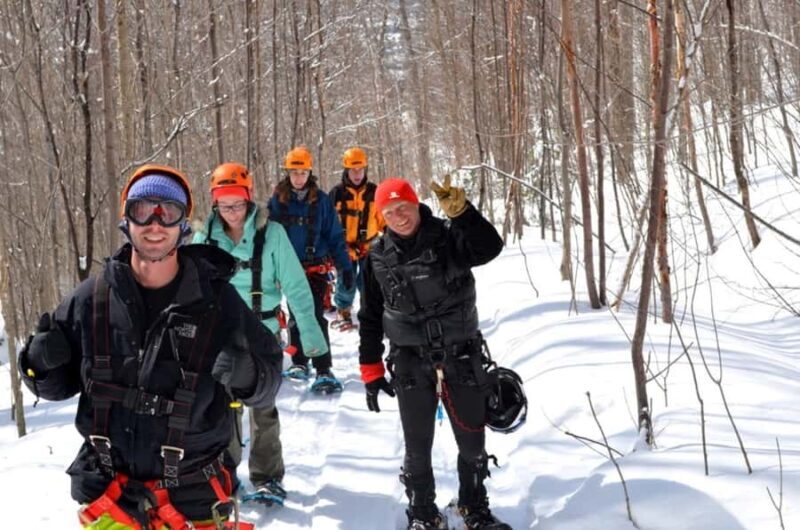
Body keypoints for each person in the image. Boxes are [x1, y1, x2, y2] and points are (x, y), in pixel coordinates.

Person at [17, 164, 282, 529]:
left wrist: (248, 374)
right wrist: (38, 364)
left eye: (168, 212)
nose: (155, 223)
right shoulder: (92, 298)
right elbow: (53, 386)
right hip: (110, 498)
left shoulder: (218, 303)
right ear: (127, 220)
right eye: (143, 210)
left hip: (193, 497)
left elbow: (269, 382)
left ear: (183, 225)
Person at [357, 176, 510, 530]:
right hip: (410, 361)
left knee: (472, 441)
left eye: (404, 207)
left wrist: (464, 214)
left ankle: (474, 507)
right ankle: (423, 513)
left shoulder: (449, 238)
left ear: (416, 204)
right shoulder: (377, 257)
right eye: (390, 211)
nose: (399, 216)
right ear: (382, 216)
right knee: (417, 447)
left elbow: (489, 247)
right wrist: (371, 370)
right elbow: (369, 318)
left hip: (461, 355)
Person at [193, 162, 328, 505]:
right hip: (219, 338)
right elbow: (190, 292)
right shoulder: (203, 238)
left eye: (238, 204)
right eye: (225, 205)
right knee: (222, 410)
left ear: (249, 200)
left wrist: (310, 338)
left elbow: (297, 288)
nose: (232, 212)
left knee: (263, 409)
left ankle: (267, 476)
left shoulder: (273, 234)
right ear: (215, 205)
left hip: (262, 334)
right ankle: (224, 473)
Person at [268, 146, 354, 393]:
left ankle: (324, 367)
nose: (298, 178)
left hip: (314, 268)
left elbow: (335, 236)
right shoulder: (277, 201)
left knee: (313, 314)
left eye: (303, 172)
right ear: (288, 173)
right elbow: (266, 236)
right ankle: (299, 362)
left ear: (309, 172)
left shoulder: (322, 201)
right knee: (295, 315)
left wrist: (345, 267)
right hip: (287, 269)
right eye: (294, 173)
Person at [328, 147, 385, 330]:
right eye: (353, 170)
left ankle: (373, 312)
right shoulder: (336, 194)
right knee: (347, 281)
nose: (357, 174)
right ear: (346, 170)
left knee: (369, 283)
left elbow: (383, 219)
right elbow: (327, 224)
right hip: (344, 248)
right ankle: (343, 310)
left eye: (361, 169)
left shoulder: (375, 192)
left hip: (369, 246)